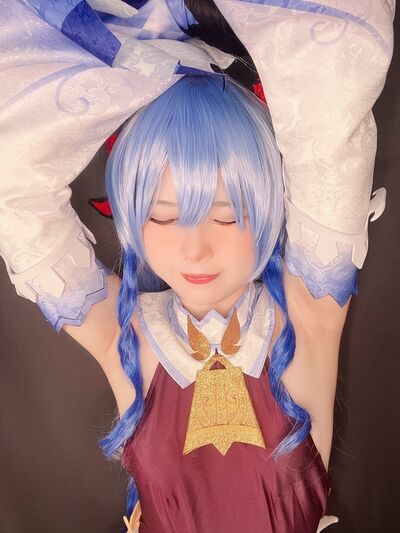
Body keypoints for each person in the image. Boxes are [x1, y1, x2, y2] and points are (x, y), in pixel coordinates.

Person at [0, 1, 394, 531]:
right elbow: (11, 191)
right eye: (162, 218)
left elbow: (331, 122)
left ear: (270, 204)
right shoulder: (126, 338)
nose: (194, 250)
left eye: (227, 217)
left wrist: (161, 43)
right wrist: (134, 67)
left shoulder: (309, 316)